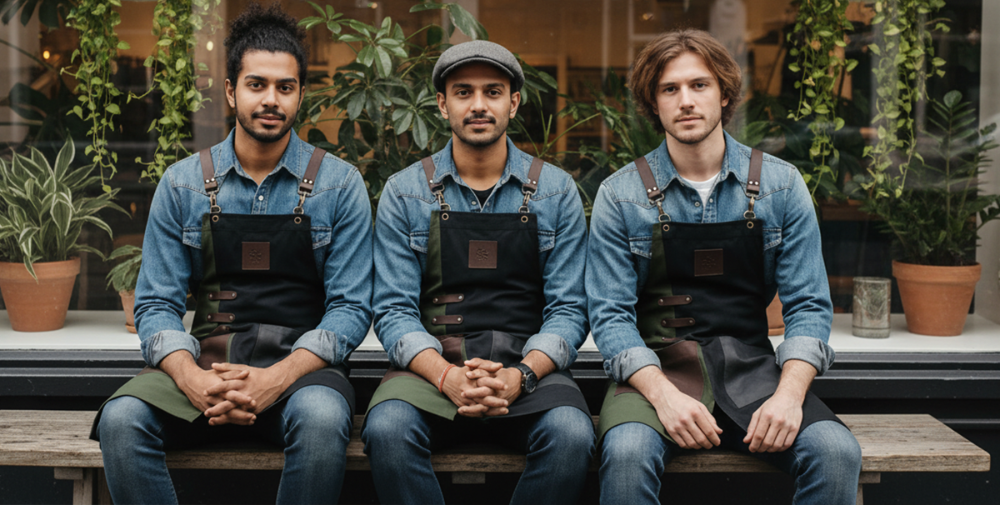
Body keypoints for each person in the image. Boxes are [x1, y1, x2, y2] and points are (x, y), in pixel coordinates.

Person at [90, 3, 373, 503]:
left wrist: (275, 378)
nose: (271, 99)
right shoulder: (182, 184)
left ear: (301, 95)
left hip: (302, 375)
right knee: (122, 419)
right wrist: (191, 377)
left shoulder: (339, 184)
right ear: (230, 91)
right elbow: (156, 304)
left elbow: (350, 309)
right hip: (206, 366)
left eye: (285, 88)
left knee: (325, 418)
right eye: (256, 84)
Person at [588, 29, 862, 505]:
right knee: (628, 452)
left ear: (725, 94)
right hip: (654, 372)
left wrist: (788, 395)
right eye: (669, 89)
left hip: (753, 372)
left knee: (835, 452)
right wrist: (662, 395)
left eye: (699, 85)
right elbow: (610, 316)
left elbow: (809, 306)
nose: (686, 101)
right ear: (654, 104)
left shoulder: (781, 185)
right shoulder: (620, 194)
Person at [362, 40, 595, 504]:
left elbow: (570, 309)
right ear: (442, 104)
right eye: (463, 92)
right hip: (430, 372)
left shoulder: (555, 191)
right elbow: (392, 310)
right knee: (387, 429)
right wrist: (446, 376)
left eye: (492, 92)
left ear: (513, 102)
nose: (478, 105)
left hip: (531, 374)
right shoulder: (405, 192)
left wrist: (522, 375)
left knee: (572, 435)